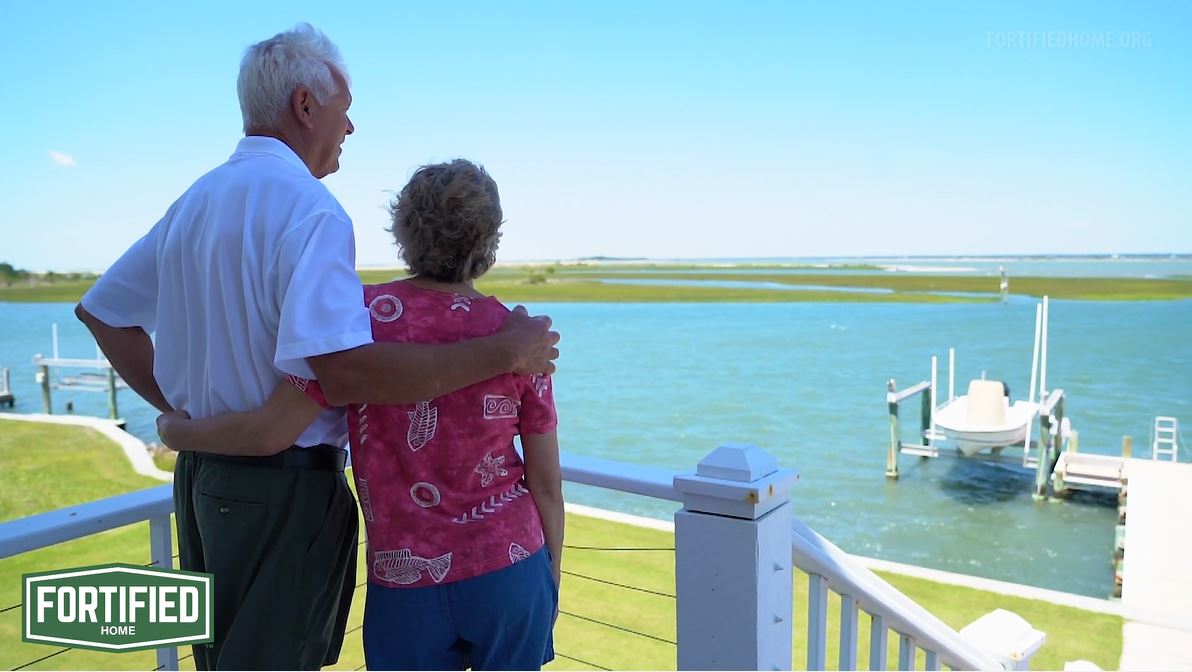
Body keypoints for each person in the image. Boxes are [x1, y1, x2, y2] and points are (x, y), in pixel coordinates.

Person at [75, 25, 559, 670]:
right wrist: (504, 353)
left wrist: (190, 420)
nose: (350, 127)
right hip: (283, 491)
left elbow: (102, 314)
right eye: (344, 110)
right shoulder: (312, 209)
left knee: (223, 658)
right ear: (305, 106)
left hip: (203, 482)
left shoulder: (195, 200)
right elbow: (343, 372)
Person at [160, 159, 563, 670]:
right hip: (511, 567)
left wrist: (179, 432)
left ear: (404, 230)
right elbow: (546, 484)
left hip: (405, 583)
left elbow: (271, 430)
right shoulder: (520, 338)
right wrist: (549, 576)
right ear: (490, 239)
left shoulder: (359, 320)